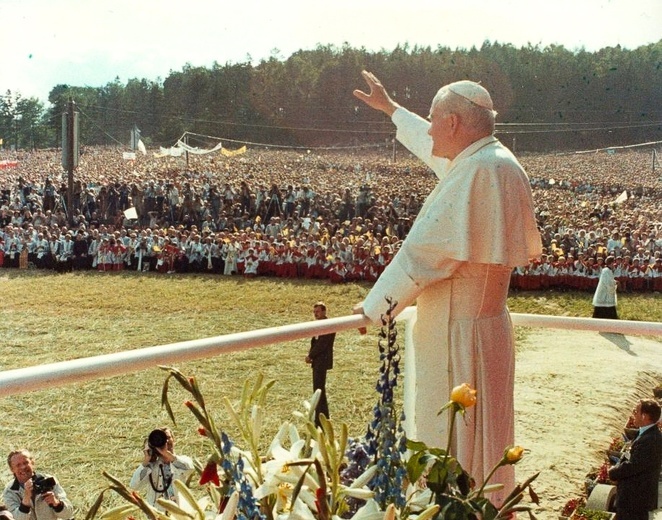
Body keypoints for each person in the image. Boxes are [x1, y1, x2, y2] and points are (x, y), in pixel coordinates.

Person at [351, 70, 542, 498]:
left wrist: (375, 307)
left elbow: (425, 253)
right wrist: (392, 111)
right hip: (481, 326)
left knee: (456, 446)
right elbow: (437, 151)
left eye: (434, 118)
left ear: (454, 123)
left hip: (461, 333)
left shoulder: (480, 170)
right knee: (482, 438)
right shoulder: (487, 161)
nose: (431, 127)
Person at [608, 399, 662, 520]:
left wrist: (613, 472)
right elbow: (628, 456)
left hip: (636, 500)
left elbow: (634, 465)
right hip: (632, 498)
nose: (633, 415)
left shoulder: (651, 440)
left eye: (636, 411)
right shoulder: (645, 434)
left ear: (644, 416)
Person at [129, 428, 194, 509]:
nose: (166, 441)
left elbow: (189, 469)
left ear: (173, 439)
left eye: (168, 437)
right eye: (162, 439)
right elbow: (134, 486)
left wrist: (167, 454)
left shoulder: (183, 460)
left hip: (180, 511)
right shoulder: (151, 467)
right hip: (157, 513)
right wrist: (146, 460)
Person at [2, 449, 74, 520]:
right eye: (18, 465)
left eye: (25, 462)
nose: (23, 467)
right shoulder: (10, 491)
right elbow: (17, 518)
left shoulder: (48, 481)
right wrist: (26, 498)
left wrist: (56, 503)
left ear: (32, 463)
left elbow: (68, 514)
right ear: (12, 470)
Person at [305, 301, 335, 427]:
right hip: (317, 361)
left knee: (319, 390)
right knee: (318, 390)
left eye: (317, 311)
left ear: (324, 311)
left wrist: (310, 355)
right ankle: (321, 418)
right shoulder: (318, 325)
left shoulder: (329, 326)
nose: (315, 314)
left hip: (321, 361)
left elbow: (321, 345)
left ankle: (321, 419)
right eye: (314, 312)